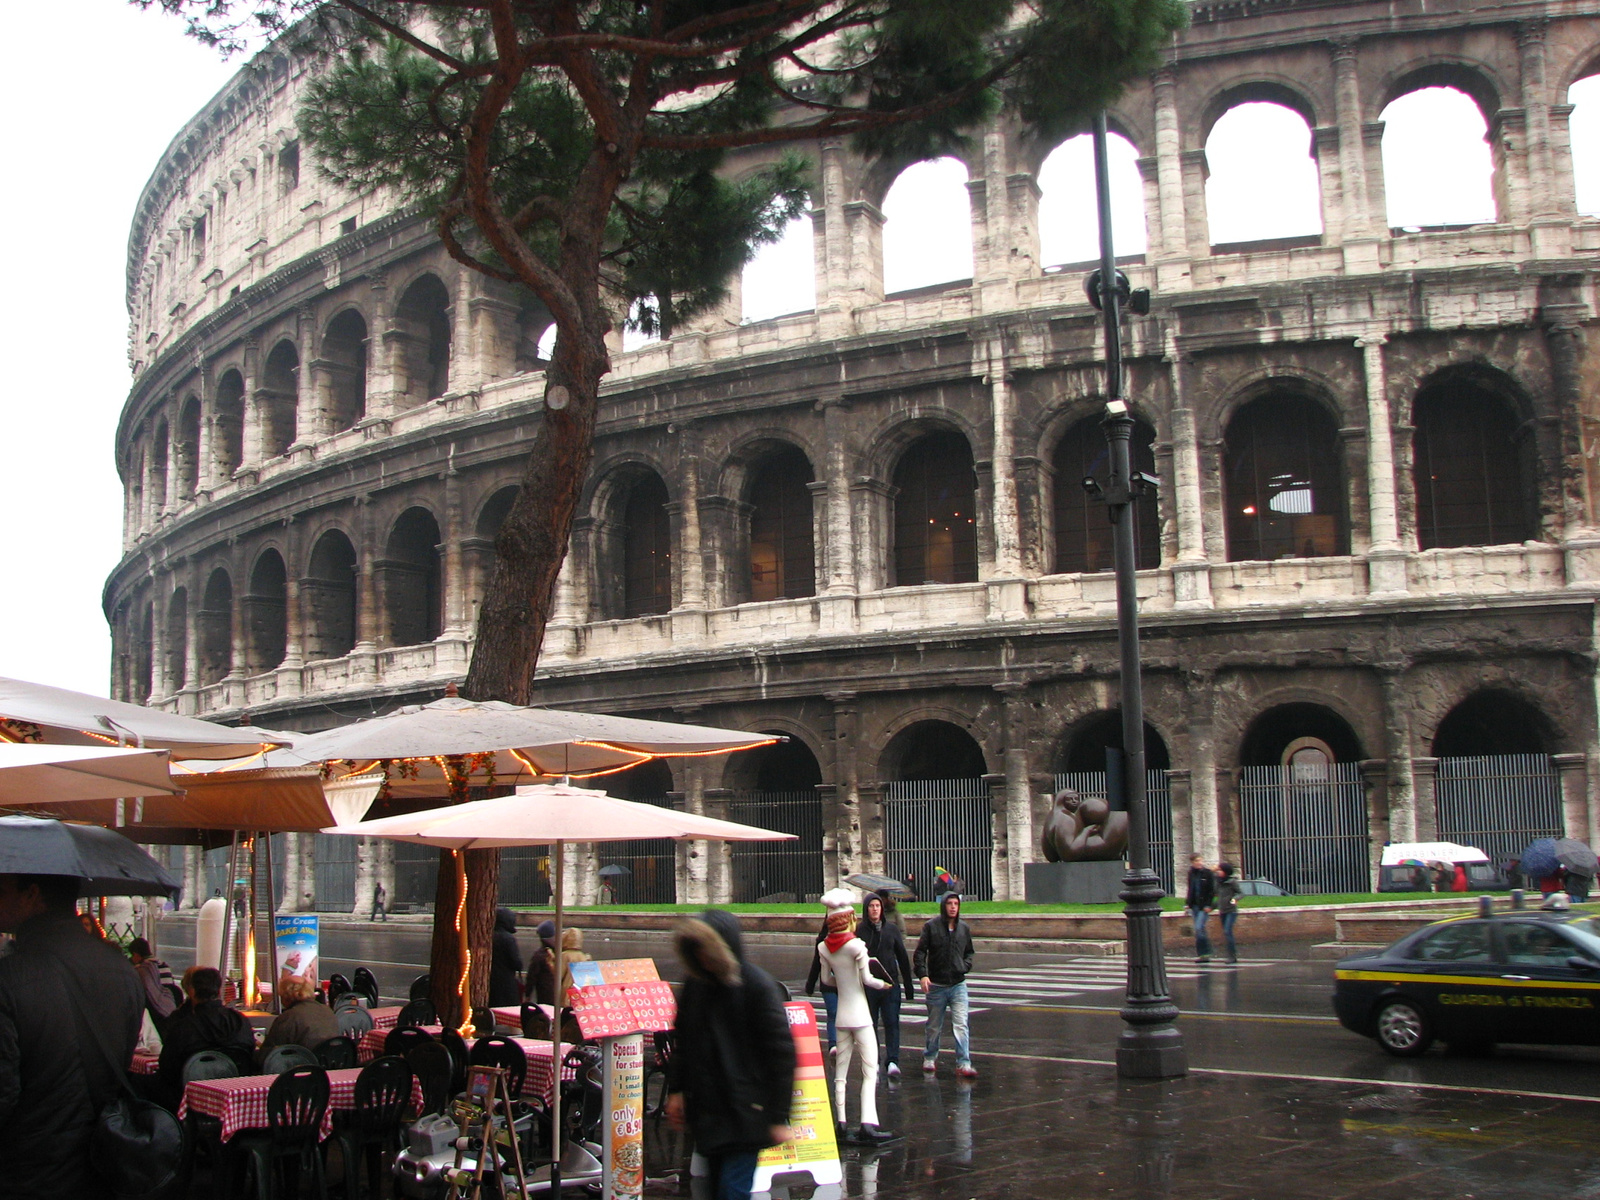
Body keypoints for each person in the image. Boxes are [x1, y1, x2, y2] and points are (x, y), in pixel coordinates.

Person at [0, 873, 145, 1200]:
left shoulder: (9, 977)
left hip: (29, 1171)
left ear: (32, 895)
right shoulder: (121, 969)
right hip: (107, 1161)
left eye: (3, 889)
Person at [666, 910, 796, 1200]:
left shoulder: (757, 986)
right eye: (696, 951)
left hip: (746, 1111)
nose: (702, 958)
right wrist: (676, 1090)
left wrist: (777, 1117)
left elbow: (782, 1054)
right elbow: (684, 1041)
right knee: (715, 1190)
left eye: (707, 950)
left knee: (731, 1191)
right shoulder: (696, 984)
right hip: (709, 1112)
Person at [816, 890, 892, 1144]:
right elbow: (869, 980)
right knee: (870, 1070)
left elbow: (826, 980)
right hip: (860, 1013)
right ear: (848, 919)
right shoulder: (857, 946)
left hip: (841, 1017)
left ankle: (840, 1123)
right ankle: (867, 1124)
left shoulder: (824, 947)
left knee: (841, 1072)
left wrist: (843, 980)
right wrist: (884, 984)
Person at [157, 965, 256, 1104]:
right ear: (219, 990)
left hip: (189, 1099)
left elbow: (167, 1068)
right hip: (237, 1095)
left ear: (192, 991)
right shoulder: (240, 1021)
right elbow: (250, 1054)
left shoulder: (183, 1026)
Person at [914, 891, 976, 1078]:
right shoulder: (931, 927)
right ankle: (930, 1056)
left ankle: (964, 1062)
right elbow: (920, 952)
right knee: (934, 1025)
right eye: (949, 903)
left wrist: (964, 966)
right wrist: (923, 975)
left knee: (961, 1024)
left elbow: (969, 952)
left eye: (955, 904)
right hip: (937, 984)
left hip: (957, 984)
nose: (952, 907)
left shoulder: (963, 928)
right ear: (944, 905)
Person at [858, 893, 914, 1079]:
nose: (875, 909)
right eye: (871, 906)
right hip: (869, 985)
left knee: (891, 1022)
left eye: (878, 906)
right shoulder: (861, 931)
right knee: (870, 1024)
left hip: (890, 984)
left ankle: (893, 1060)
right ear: (866, 909)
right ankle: (873, 1059)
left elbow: (902, 957)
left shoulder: (891, 930)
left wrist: (908, 985)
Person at [258, 975, 339, 1062]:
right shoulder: (328, 1011)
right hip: (328, 1067)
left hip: (299, 1068)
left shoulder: (289, 1017)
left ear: (286, 996)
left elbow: (268, 1056)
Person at [803, 918, 839, 1054]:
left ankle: (842, 1042)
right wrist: (810, 985)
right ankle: (833, 1044)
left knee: (843, 1015)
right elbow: (816, 963)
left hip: (844, 983)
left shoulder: (849, 940)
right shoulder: (822, 942)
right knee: (832, 1012)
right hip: (828, 984)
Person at [128, 935, 178, 1029]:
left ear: (136, 954)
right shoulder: (163, 964)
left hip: (155, 1010)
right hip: (170, 1004)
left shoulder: (142, 969)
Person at [490, 906, 524, 1007]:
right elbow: (516, 963)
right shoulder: (508, 939)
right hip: (506, 983)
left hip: (491, 982)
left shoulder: (490, 935)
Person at [1185, 854, 1216, 964]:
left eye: (1200, 860)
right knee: (1199, 930)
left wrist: (1209, 905)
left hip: (1204, 906)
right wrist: (1188, 903)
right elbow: (1191, 889)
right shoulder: (1191, 873)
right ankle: (1203, 955)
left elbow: (1212, 890)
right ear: (1192, 862)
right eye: (1197, 861)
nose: (1199, 863)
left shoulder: (1207, 873)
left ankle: (1206, 952)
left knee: (1199, 927)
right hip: (1195, 906)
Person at [1213, 862, 1242, 964]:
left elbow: (1241, 893)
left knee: (1227, 931)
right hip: (1222, 910)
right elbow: (1217, 894)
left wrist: (1234, 899)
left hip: (1231, 910)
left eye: (1220, 870)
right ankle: (1230, 954)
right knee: (1226, 932)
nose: (1218, 872)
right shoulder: (1218, 882)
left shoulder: (1232, 882)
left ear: (1225, 871)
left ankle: (1232, 956)